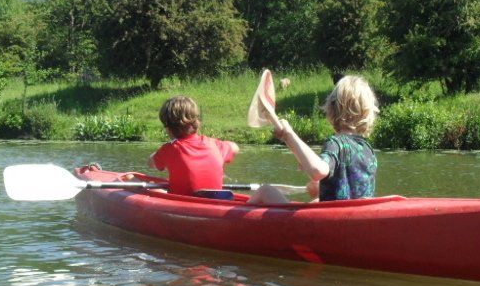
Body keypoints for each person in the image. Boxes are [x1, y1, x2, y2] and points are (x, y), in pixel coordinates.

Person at [251, 75, 379, 205]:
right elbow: (347, 188)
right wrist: (318, 187)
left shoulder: (335, 143)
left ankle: (238, 220)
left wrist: (289, 134)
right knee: (317, 197)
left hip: (332, 219)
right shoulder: (368, 149)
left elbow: (318, 171)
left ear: (332, 108)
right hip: (354, 217)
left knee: (264, 191)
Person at [143, 96, 239, 196]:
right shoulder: (215, 144)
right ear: (196, 122)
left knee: (151, 186)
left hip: (183, 202)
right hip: (216, 202)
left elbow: (150, 163)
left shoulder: (169, 149)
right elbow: (235, 147)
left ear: (168, 127)